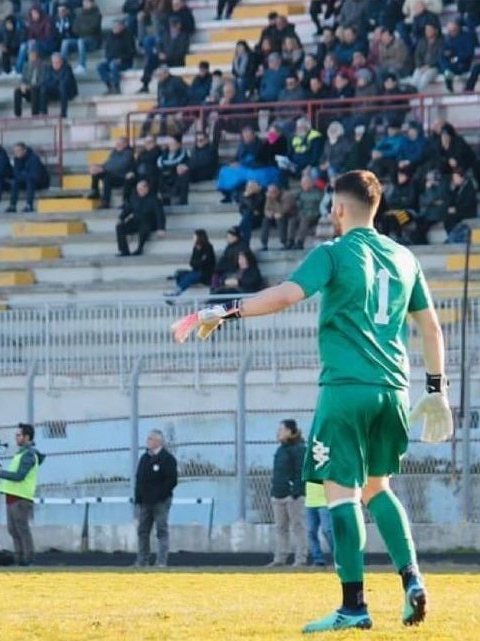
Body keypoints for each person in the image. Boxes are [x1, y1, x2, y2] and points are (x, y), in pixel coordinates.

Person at [171, 170, 451, 632]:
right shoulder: (405, 258)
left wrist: (223, 309)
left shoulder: (333, 253)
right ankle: (412, 581)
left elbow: (283, 296)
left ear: (338, 209)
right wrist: (437, 391)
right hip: (394, 390)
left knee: (341, 496)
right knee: (379, 488)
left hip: (345, 390)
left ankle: (354, 606)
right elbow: (431, 329)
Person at [0, 422, 45, 567]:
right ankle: (19, 558)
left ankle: (28, 559)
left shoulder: (28, 455)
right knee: (13, 530)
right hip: (12, 497)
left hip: (20, 498)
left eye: (19, 435)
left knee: (22, 530)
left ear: (27, 437)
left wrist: (0, 473)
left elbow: (20, 476)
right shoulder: (21, 453)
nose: (16, 437)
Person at [133, 429, 178, 568]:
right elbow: (139, 479)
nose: (148, 441)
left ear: (158, 441)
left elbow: (171, 481)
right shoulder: (144, 458)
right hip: (145, 502)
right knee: (143, 531)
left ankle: (161, 562)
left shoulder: (167, 459)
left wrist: (160, 495)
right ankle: (142, 560)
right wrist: (138, 498)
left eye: (150, 439)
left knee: (161, 531)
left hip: (160, 502)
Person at [267, 419, 307, 568]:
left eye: (282, 430)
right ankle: (280, 558)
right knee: (281, 528)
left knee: (298, 526)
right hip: (278, 494)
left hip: (293, 496)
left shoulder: (299, 448)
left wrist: (295, 491)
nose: (278, 433)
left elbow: (301, 472)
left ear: (290, 431)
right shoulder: (280, 450)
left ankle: (300, 559)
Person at [116, 179, 165, 256]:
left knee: (144, 226)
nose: (139, 191)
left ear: (147, 189)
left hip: (149, 221)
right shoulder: (134, 198)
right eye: (138, 189)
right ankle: (124, 250)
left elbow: (160, 214)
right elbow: (128, 209)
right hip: (136, 220)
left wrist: (161, 228)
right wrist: (121, 218)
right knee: (120, 227)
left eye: (141, 189)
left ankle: (139, 249)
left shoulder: (154, 199)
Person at [88, 136, 136, 209]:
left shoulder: (128, 154)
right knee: (95, 172)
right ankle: (95, 192)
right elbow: (108, 163)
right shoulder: (114, 152)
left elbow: (119, 166)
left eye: (119, 144)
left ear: (125, 144)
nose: (117, 145)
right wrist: (98, 167)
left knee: (107, 178)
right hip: (111, 174)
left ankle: (105, 202)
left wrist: (103, 169)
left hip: (121, 177)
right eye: (116, 143)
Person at [166, 229, 215, 297]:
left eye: (194, 236)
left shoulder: (208, 247)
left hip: (205, 273)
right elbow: (192, 262)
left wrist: (197, 263)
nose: (193, 238)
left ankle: (175, 293)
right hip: (196, 270)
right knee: (179, 274)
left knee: (191, 276)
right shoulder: (195, 248)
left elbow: (204, 262)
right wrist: (197, 262)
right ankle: (177, 292)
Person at [8, 142, 50, 213]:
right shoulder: (17, 159)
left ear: (24, 150)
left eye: (18, 150)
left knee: (30, 180)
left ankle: (29, 205)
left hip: (41, 182)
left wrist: (23, 175)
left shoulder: (34, 158)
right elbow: (16, 175)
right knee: (15, 182)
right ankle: (12, 206)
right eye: (15, 151)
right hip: (26, 181)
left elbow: (35, 175)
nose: (16, 153)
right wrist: (23, 175)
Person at [305, 481, 334, 567]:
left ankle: (339, 557)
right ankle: (318, 559)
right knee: (311, 531)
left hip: (325, 501)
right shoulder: (307, 467)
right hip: (310, 502)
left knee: (327, 530)